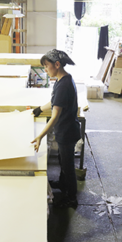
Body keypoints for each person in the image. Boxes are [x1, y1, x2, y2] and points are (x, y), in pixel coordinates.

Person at [30, 49, 81, 208]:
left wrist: (40, 136)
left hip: (66, 133)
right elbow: (54, 102)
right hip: (67, 130)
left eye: (46, 66)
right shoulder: (64, 79)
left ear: (57, 65)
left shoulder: (63, 85)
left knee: (68, 166)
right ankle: (62, 184)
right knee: (62, 161)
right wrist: (40, 109)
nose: (45, 70)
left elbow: (55, 117)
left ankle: (71, 198)